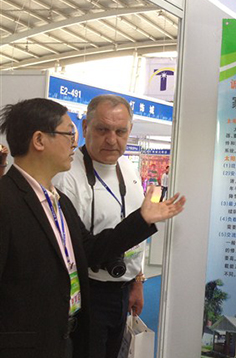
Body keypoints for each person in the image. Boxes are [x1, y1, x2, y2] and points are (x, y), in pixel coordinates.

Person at [0, 98, 185, 358]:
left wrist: (142, 220)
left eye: (121, 131)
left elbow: (89, 250)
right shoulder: (7, 201)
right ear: (39, 141)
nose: (74, 143)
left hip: (62, 334)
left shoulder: (56, 201)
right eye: (69, 134)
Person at [52, 95, 150, 358]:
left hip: (123, 289)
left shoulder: (127, 167)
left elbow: (133, 232)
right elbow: (74, 248)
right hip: (87, 293)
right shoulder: (66, 176)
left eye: (120, 131)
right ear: (85, 127)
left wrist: (137, 281)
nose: (111, 140)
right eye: (103, 129)